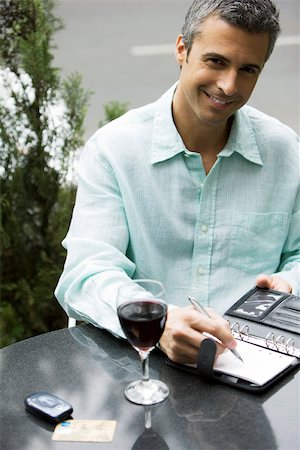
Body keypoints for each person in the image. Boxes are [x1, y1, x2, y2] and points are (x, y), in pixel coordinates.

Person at [55, 0, 300, 364]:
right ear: (182, 49)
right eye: (216, 61)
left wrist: (290, 285)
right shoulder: (113, 150)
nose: (229, 85)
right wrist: (158, 320)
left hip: (256, 366)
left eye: (248, 69)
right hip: (142, 364)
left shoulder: (286, 151)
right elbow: (87, 272)